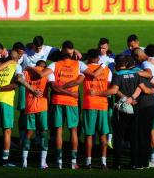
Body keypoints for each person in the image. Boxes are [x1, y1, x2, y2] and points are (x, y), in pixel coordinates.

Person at [28, 40, 105, 169]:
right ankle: (73, 163)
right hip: (72, 102)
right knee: (73, 131)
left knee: (58, 131)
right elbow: (87, 77)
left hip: (57, 101)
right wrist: (71, 92)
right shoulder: (78, 64)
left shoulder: (54, 65)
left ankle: (59, 162)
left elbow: (43, 76)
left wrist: (30, 67)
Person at [92, 55, 154, 170]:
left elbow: (114, 90)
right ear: (126, 64)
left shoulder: (117, 75)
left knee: (119, 137)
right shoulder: (136, 74)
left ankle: (117, 164)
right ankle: (135, 163)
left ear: (116, 65)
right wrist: (131, 98)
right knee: (134, 137)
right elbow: (142, 88)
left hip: (121, 111)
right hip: (134, 109)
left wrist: (97, 93)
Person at [0, 48, 24, 167]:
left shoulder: (1, 66)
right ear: (17, 58)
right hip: (5, 100)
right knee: (7, 130)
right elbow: (15, 84)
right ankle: (4, 160)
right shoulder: (17, 67)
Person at [82, 49, 112, 170]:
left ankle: (88, 162)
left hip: (89, 103)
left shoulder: (84, 68)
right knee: (103, 135)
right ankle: (103, 162)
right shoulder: (107, 70)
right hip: (103, 104)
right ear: (98, 58)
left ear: (89, 58)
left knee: (89, 135)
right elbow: (109, 88)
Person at [20, 60, 50, 169]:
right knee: (43, 133)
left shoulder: (27, 72)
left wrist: (31, 89)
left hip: (30, 106)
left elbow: (18, 79)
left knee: (28, 133)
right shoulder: (46, 73)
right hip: (43, 107)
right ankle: (42, 163)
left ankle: (24, 161)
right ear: (44, 66)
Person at [97, 38, 115, 149]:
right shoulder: (95, 57)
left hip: (108, 89)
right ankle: (96, 140)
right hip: (96, 89)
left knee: (109, 115)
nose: (101, 50)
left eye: (103, 48)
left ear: (107, 47)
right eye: (100, 47)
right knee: (97, 114)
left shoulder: (111, 59)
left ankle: (109, 140)